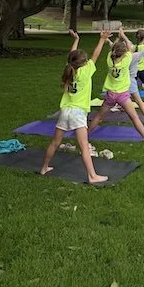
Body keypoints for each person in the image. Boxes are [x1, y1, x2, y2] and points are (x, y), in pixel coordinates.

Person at [40, 30, 111, 183]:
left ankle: (44, 167)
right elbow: (96, 56)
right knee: (84, 147)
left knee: (55, 142)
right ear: (83, 63)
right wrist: (102, 40)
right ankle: (92, 176)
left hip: (65, 111)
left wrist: (77, 40)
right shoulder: (85, 72)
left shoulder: (68, 70)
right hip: (78, 114)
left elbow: (72, 55)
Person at [88, 33, 144, 142]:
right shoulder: (126, 60)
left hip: (111, 94)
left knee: (99, 116)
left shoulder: (109, 60)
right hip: (123, 95)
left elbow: (114, 50)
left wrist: (109, 39)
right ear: (124, 53)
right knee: (134, 117)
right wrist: (123, 36)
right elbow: (129, 49)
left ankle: (86, 133)